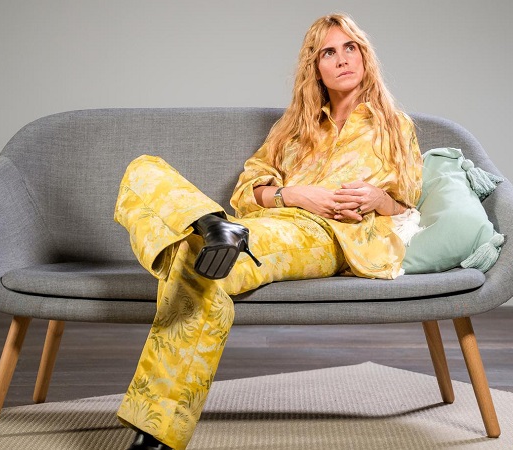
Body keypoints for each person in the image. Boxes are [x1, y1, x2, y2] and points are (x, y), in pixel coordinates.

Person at [114, 13, 422, 450]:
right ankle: (210, 225)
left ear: (364, 55)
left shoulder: (394, 126)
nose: (341, 59)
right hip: (256, 225)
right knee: (142, 170)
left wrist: (378, 199)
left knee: (188, 258)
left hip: (325, 236)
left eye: (350, 47)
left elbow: (408, 206)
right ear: (315, 68)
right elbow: (247, 191)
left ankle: (152, 435)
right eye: (328, 53)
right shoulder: (293, 128)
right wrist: (295, 194)